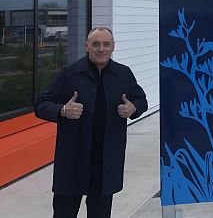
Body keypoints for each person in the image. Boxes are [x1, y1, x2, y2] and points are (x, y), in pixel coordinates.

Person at [35, 26, 148, 218]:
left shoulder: (123, 74)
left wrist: (133, 108)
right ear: (87, 46)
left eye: (106, 44)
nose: (101, 49)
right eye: (96, 44)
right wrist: (63, 110)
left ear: (113, 47)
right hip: (73, 161)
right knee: (64, 213)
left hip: (106, 163)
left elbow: (141, 101)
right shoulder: (69, 73)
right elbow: (41, 104)